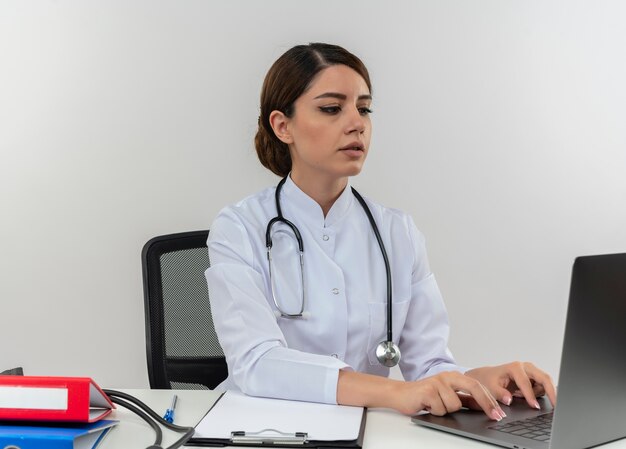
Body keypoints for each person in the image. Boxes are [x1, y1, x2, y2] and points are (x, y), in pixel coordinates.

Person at [205, 42, 556, 420]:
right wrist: (395, 392)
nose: (357, 122)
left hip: (367, 431)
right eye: (331, 108)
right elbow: (257, 363)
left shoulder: (396, 232)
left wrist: (478, 383)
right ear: (282, 125)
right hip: (261, 430)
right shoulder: (239, 228)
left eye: (364, 108)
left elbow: (427, 367)